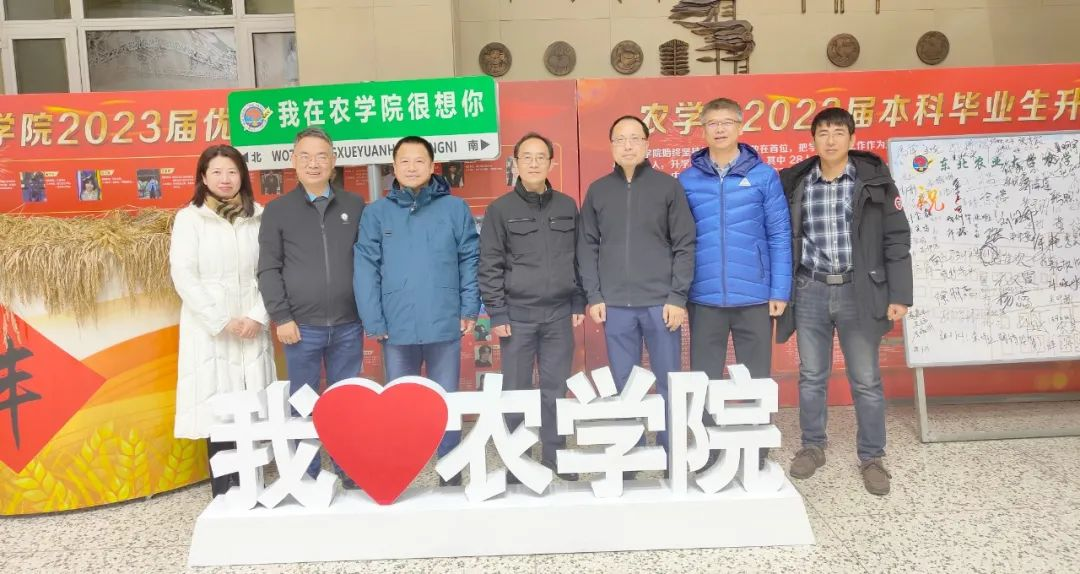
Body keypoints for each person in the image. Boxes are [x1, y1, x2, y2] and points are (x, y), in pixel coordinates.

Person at [776, 107, 912, 496]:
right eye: (823, 133)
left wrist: (900, 293)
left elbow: (896, 238)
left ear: (852, 138)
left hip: (859, 290)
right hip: (810, 289)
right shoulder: (797, 183)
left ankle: (872, 456)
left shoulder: (874, 182)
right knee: (812, 376)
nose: (831, 139)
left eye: (838, 132)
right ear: (813, 140)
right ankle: (812, 446)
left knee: (866, 379)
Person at [354, 135, 480, 486]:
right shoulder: (376, 213)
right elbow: (365, 267)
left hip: (444, 320)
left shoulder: (454, 209)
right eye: (404, 161)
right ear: (393, 167)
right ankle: (401, 472)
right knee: (399, 404)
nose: (412, 167)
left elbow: (470, 259)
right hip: (396, 326)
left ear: (431, 165)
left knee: (445, 402)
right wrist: (373, 319)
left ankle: (450, 471)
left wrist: (470, 307)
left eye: (419, 160)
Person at [677, 98, 791, 467]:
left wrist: (779, 289)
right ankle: (707, 448)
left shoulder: (764, 176)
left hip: (755, 296)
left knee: (755, 377)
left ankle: (756, 449)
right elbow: (678, 239)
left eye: (727, 122)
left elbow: (779, 234)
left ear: (740, 127)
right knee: (704, 378)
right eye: (713, 123)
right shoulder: (687, 180)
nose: (720, 129)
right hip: (704, 297)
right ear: (703, 129)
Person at [578, 115, 696, 452]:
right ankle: (630, 449)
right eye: (620, 139)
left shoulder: (668, 187)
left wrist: (677, 297)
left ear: (647, 144)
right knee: (624, 383)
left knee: (668, 380)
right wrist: (594, 295)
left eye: (634, 139)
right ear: (611, 146)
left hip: (661, 304)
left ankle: (671, 448)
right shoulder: (598, 190)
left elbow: (685, 244)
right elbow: (587, 245)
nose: (627, 146)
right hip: (615, 305)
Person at [257, 127, 366, 483]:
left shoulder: (354, 205)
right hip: (300, 327)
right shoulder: (277, 211)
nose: (313, 163)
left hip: (349, 324)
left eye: (321, 156)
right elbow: (268, 268)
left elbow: (368, 262)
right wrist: (281, 317)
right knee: (302, 404)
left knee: (345, 403)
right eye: (305, 156)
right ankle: (307, 476)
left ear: (333, 161)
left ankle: (349, 471)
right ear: (293, 162)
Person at [170, 144, 275, 497]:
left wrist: (258, 315)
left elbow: (272, 270)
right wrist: (221, 320)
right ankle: (223, 492)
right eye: (216, 172)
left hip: (251, 325)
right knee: (218, 410)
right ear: (203, 177)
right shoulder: (190, 219)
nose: (225, 179)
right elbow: (184, 275)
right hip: (211, 329)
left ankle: (253, 488)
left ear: (242, 175)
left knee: (251, 407)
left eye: (232, 172)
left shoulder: (259, 216)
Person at [479, 132, 584, 481]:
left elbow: (579, 257)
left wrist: (578, 301)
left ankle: (556, 454)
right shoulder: (500, 210)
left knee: (556, 388)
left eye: (541, 157)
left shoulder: (567, 206)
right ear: (516, 164)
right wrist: (497, 311)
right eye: (527, 157)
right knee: (516, 390)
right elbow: (490, 263)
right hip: (517, 316)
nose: (534, 163)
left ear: (551, 162)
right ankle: (517, 459)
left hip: (558, 315)